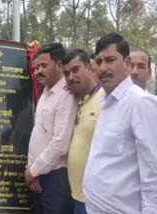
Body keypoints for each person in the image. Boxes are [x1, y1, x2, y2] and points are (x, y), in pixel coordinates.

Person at [84, 33, 157, 213]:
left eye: (110, 60)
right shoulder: (107, 101)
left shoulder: (140, 102)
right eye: (99, 62)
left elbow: (153, 168)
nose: (103, 68)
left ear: (126, 63)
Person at [25, 43, 77, 214]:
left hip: (55, 179)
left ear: (59, 65)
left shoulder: (66, 94)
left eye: (43, 65)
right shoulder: (46, 93)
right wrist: (33, 170)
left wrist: (33, 171)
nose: (38, 71)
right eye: (36, 67)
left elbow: (60, 144)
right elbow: (39, 134)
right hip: (39, 176)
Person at [63, 49, 103, 214]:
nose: (71, 76)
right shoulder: (79, 101)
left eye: (75, 69)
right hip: (76, 197)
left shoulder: (105, 100)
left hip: (96, 201)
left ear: (90, 68)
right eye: (66, 73)